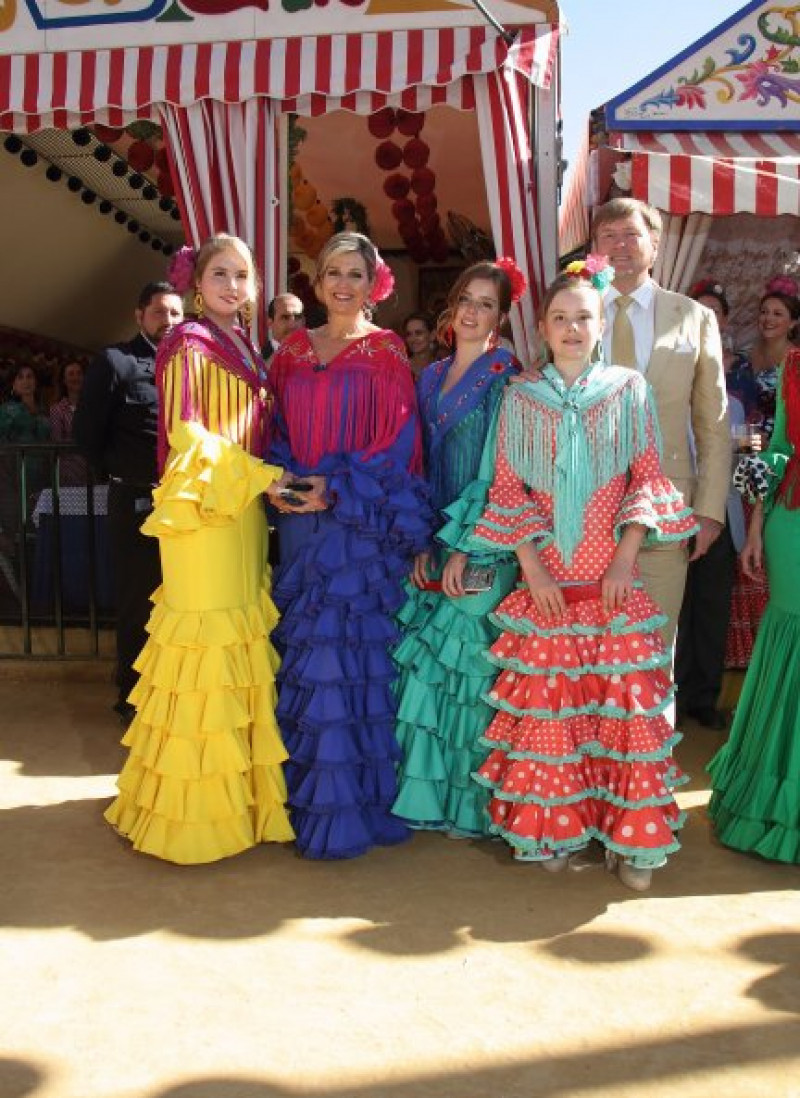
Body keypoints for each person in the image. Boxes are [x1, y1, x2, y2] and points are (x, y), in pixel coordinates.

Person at [466, 258, 697, 891]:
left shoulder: (628, 389)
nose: (571, 328)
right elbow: (507, 490)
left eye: (583, 318)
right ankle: (556, 828)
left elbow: (646, 477)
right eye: (560, 318)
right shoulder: (519, 397)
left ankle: (629, 841)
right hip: (549, 587)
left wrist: (625, 558)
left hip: (611, 583)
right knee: (553, 715)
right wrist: (533, 570)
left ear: (602, 325)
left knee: (621, 713)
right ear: (541, 326)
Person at [104, 234, 294, 864]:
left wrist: (264, 480)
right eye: (221, 273)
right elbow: (189, 433)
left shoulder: (243, 342)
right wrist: (267, 477)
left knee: (234, 644)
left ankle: (234, 801)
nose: (233, 286)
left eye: (242, 275)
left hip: (237, 510)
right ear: (196, 281)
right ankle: (192, 818)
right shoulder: (188, 341)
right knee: (204, 649)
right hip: (203, 510)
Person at [268, 231, 431, 860]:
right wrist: (279, 480)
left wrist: (333, 486)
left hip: (356, 526)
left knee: (353, 664)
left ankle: (353, 805)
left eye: (355, 275)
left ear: (374, 284)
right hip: (300, 523)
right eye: (333, 272)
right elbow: (273, 428)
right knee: (304, 661)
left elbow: (398, 445)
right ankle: (303, 798)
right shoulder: (288, 352)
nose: (342, 284)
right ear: (317, 282)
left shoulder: (387, 351)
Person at [392, 260, 523, 837]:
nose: (472, 312)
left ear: (502, 316)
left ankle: (473, 807)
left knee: (471, 672)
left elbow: (503, 473)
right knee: (427, 672)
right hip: (432, 539)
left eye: (486, 303)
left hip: (483, 544)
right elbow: (415, 464)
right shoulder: (428, 375)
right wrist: (421, 538)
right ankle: (428, 801)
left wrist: (468, 547)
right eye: (465, 300)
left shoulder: (507, 377)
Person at [593, 198, 730, 655]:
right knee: (591, 655)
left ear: (656, 243)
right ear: (595, 249)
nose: (620, 246)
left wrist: (709, 511)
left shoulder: (694, 317)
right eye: (607, 237)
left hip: (667, 511)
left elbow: (712, 424)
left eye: (631, 234)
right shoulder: (576, 313)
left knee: (653, 651)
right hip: (585, 509)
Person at [74, 282, 184, 726]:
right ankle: (134, 697)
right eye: (160, 312)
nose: (169, 321)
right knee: (139, 601)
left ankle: (173, 691)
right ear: (140, 315)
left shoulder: (189, 364)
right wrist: (121, 474)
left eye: (176, 313)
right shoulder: (115, 362)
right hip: (136, 499)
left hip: (184, 503)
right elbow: (87, 434)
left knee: (179, 600)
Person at [708, 347, 800, 864]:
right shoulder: (795, 364)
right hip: (793, 521)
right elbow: (780, 447)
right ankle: (771, 803)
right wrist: (758, 526)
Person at [674, 280, 747, 729]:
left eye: (714, 313)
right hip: (670, 514)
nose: (707, 321)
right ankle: (667, 695)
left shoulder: (735, 400)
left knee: (711, 611)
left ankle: (702, 698)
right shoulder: (662, 383)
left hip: (718, 517)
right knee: (672, 611)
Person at [724, 277, 800, 669]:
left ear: (791, 323)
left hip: (781, 468)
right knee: (743, 553)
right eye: (765, 311)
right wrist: (746, 467)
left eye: (778, 313)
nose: (769, 318)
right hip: (752, 462)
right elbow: (742, 421)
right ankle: (743, 654)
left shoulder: (794, 359)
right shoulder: (742, 359)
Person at [49, 361, 89, 487]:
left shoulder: (93, 407)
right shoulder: (57, 409)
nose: (76, 377)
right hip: (69, 475)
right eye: (71, 374)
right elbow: (59, 445)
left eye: (79, 373)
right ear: (64, 381)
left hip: (93, 473)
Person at [261, 292, 305, 362]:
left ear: (304, 321)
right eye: (285, 317)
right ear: (270, 322)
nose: (292, 325)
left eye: (297, 317)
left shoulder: (317, 356)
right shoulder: (258, 360)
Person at [402, 312, 436, 379]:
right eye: (408, 334)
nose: (413, 339)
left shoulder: (444, 367)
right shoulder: (401, 368)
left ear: (432, 335)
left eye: (419, 333)